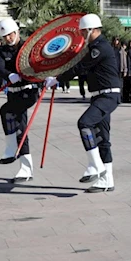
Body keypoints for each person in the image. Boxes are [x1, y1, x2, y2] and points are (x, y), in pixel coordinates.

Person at [45, 13, 121, 193]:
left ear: (91, 30)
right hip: (100, 95)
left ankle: (96, 166)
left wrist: (57, 79)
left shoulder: (99, 48)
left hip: (108, 96)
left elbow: (80, 68)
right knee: (103, 139)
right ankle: (107, 180)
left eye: (82, 32)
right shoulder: (94, 47)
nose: (80, 35)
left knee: (84, 123)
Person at [0, 17, 40, 183]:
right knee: (20, 127)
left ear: (17, 32)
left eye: (10, 34)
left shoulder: (27, 47)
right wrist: (9, 75)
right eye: (5, 36)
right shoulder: (2, 51)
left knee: (6, 111)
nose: (8, 38)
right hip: (13, 92)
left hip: (28, 92)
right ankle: (26, 168)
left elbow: (37, 64)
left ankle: (11, 148)